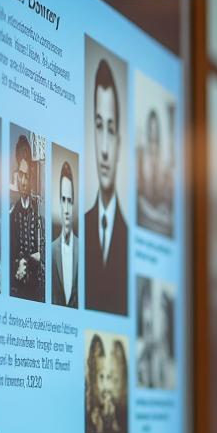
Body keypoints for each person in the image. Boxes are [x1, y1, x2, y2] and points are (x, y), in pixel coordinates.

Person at [85, 57, 128, 315]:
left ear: (119, 143)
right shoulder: (80, 229)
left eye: (110, 131)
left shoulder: (130, 239)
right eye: (99, 126)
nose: (103, 149)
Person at [9, 133, 44, 301]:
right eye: (20, 175)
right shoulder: (12, 214)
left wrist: (30, 260)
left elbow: (41, 254)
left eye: (27, 176)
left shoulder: (38, 210)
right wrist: (18, 265)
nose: (23, 182)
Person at [136, 106, 173, 235]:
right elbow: (139, 199)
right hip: (145, 218)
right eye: (151, 138)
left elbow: (167, 205)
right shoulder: (140, 158)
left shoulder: (164, 166)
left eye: (156, 139)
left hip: (158, 222)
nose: (153, 145)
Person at [51, 160, 78, 307]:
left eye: (70, 201)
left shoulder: (83, 251)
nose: (66, 208)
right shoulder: (50, 250)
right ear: (59, 202)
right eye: (63, 200)